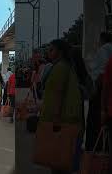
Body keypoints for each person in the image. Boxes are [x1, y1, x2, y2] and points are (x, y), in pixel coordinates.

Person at [39, 39, 83, 174]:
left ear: (60, 52)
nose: (48, 52)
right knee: (62, 159)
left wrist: (55, 120)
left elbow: (58, 94)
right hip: (67, 118)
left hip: (60, 120)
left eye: (51, 49)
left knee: (58, 159)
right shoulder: (65, 67)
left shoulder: (60, 68)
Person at [85, 32, 112, 152]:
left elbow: (101, 72)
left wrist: (95, 90)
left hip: (100, 91)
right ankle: (106, 148)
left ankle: (93, 148)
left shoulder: (103, 50)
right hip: (111, 92)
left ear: (101, 39)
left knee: (94, 122)